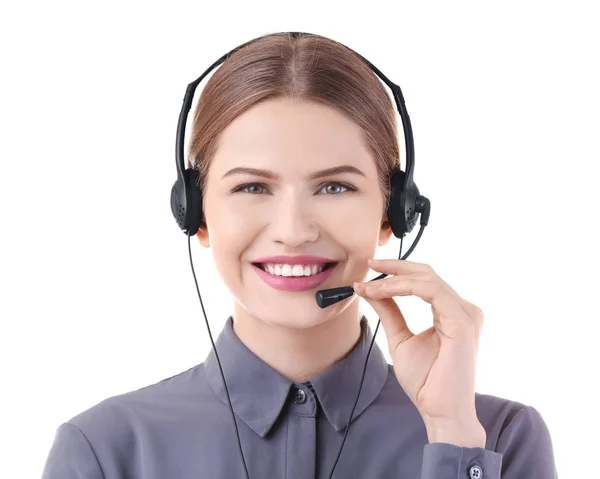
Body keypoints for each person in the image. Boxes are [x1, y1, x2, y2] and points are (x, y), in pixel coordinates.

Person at [41, 32, 558, 479]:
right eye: (251, 188)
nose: (292, 232)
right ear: (195, 212)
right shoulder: (104, 450)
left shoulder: (498, 441)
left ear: (393, 213)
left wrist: (452, 436)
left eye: (334, 187)